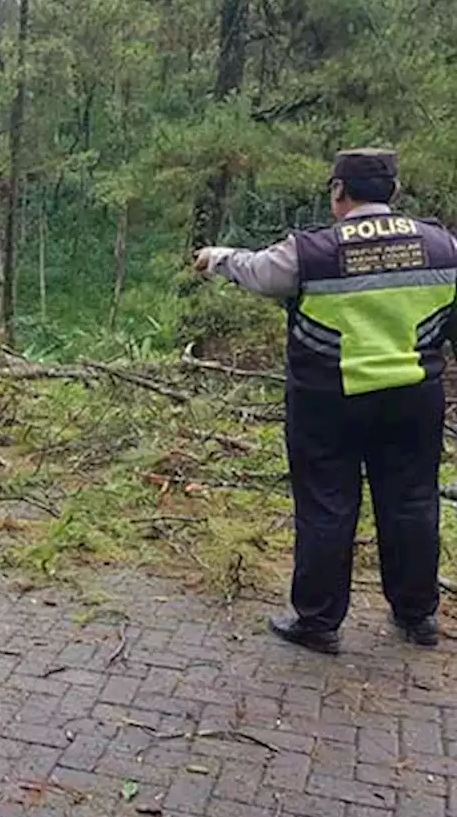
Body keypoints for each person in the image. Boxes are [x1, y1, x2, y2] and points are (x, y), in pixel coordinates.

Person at [193, 148, 457, 654]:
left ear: (339, 191)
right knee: (412, 504)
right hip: (412, 398)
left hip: (328, 403)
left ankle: (317, 622)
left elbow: (259, 272)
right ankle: (417, 616)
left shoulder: (311, 250)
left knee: (326, 507)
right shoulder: (443, 245)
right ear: (394, 193)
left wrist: (218, 258)